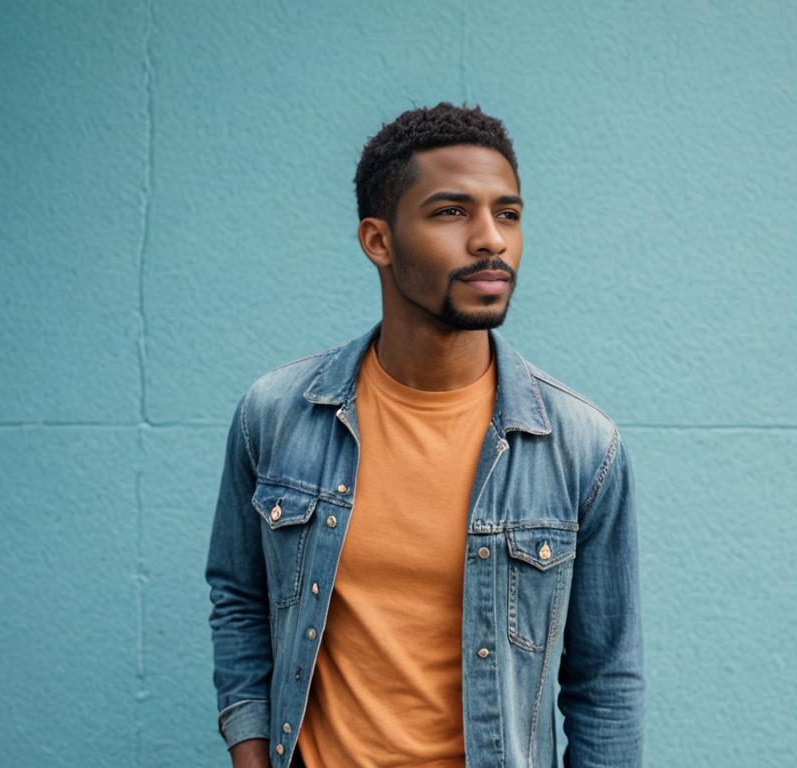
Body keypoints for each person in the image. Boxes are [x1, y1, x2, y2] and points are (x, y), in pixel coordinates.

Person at [205, 101, 643, 768]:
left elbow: (605, 683)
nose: (491, 238)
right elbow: (240, 598)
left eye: (508, 214)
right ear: (379, 241)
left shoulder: (581, 446)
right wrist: (251, 752)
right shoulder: (278, 416)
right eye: (451, 212)